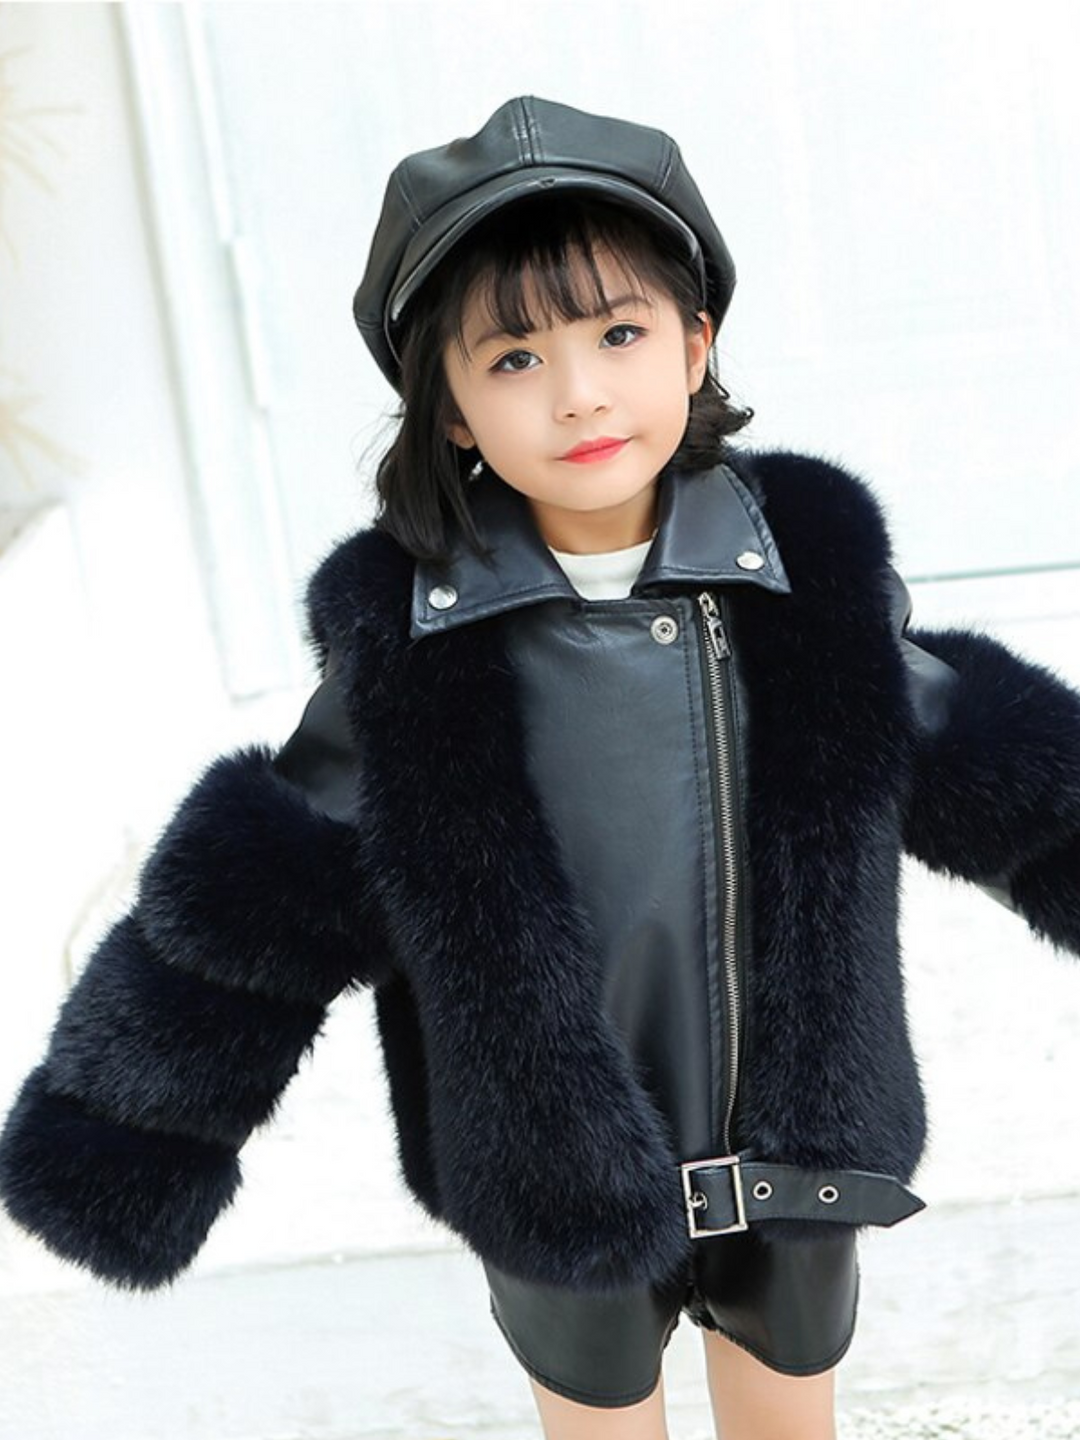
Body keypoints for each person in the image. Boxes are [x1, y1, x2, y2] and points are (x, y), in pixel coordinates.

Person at [2, 95, 1079, 1440]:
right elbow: (252, 907)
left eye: (619, 334)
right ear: (450, 410)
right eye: (514, 357)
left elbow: (1006, 771)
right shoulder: (417, 661)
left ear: (694, 343)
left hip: (795, 1151)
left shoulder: (802, 597)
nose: (578, 393)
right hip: (556, 1174)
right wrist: (125, 1142)